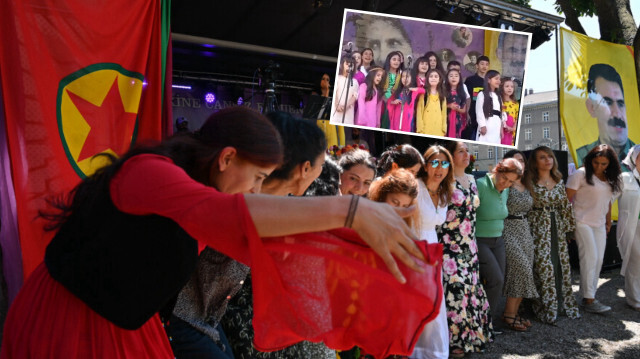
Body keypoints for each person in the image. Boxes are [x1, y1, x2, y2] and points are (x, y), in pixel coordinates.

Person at [2, 107, 427, 358]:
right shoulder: (149, 173)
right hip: (70, 322)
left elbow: (271, 244)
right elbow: (226, 213)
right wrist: (350, 210)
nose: (261, 190)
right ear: (226, 158)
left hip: (128, 322)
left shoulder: (201, 192)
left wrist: (368, 256)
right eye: (258, 177)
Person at [219, 112, 333, 359]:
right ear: (305, 168)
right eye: (321, 165)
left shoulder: (247, 199)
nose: (321, 173)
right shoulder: (257, 209)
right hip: (246, 336)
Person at [437, 141, 493, 358]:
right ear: (450, 156)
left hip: (469, 244)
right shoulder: (443, 180)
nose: (466, 154)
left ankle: (471, 337)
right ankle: (454, 342)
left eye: (467, 150)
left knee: (470, 289)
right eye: (460, 151)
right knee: (455, 291)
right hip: (448, 245)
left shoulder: (471, 180)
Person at [524, 146, 581, 324]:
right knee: (541, 266)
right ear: (535, 161)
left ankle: (559, 304)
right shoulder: (528, 182)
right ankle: (542, 306)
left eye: (550, 156)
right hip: (538, 229)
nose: (548, 160)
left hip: (557, 228)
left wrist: (570, 229)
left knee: (560, 265)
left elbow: (565, 205)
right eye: (542, 157)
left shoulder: (558, 179)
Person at [566, 144, 621, 313]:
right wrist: (567, 225)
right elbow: (565, 200)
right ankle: (589, 300)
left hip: (599, 223)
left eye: (603, 163)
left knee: (598, 260)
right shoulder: (580, 174)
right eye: (596, 162)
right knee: (590, 258)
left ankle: (588, 295)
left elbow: (608, 200)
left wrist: (608, 220)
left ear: (610, 164)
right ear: (591, 160)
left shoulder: (611, 177)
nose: (599, 166)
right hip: (581, 221)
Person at [411, 145, 454, 359]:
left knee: (434, 303)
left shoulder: (445, 192)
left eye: (444, 163)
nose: (439, 168)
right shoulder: (414, 189)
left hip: (432, 249)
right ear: (426, 165)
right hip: (413, 247)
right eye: (434, 162)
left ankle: (433, 351)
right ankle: (412, 350)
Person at [476, 157, 523, 330]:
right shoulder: (480, 185)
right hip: (479, 240)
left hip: (498, 240)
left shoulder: (506, 190)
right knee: (496, 279)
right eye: (504, 178)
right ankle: (481, 323)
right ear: (497, 170)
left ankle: (487, 323)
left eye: (511, 182)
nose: (506, 184)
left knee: (498, 282)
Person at [501, 150, 538, 331]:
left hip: (524, 230)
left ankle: (513, 314)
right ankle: (508, 315)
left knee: (525, 272)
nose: (519, 164)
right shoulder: (503, 184)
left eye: (521, 161)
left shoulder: (527, 183)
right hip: (508, 229)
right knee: (520, 268)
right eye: (514, 161)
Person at [577, 63, 634, 167]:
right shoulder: (581, 157)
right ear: (592, 107)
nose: (617, 113)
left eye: (620, 103)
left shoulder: (637, 154)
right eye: (607, 102)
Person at [616, 144, 640, 311]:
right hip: (632, 226)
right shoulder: (624, 178)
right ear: (634, 158)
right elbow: (607, 198)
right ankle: (635, 300)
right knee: (635, 261)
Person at [463, 55, 490, 140]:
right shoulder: (470, 80)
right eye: (482, 64)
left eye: (486, 64)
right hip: (472, 115)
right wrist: (467, 113)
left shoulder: (490, 81)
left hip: (485, 116)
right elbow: (466, 97)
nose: (484, 66)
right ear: (477, 66)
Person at [316, 73, 346, 148]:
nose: (325, 81)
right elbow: (321, 114)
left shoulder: (334, 101)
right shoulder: (315, 98)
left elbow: (340, 126)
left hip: (332, 141)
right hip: (320, 138)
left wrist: (342, 146)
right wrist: (327, 91)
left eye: (327, 80)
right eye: (323, 79)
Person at [416, 68, 447, 136]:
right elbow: (419, 113)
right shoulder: (424, 94)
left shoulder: (442, 96)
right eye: (431, 76)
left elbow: (444, 114)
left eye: (436, 76)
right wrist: (420, 130)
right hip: (425, 130)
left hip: (438, 131)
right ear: (427, 79)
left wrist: (444, 129)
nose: (433, 78)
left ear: (439, 79)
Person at [476, 70, 503, 144]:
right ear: (488, 80)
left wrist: (501, 128)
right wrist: (482, 126)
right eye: (496, 79)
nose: (499, 81)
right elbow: (479, 111)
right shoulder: (482, 94)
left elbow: (501, 113)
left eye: (499, 79)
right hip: (487, 124)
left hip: (496, 125)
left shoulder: (499, 96)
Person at [332, 56, 359, 125]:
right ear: (342, 65)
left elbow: (355, 96)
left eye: (351, 65)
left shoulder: (355, 82)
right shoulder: (338, 78)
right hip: (336, 110)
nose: (349, 66)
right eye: (347, 64)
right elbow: (335, 92)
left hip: (348, 112)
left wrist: (347, 105)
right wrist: (337, 104)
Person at [445, 69, 468, 138]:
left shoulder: (462, 92)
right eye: (451, 76)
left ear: (459, 78)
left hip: (457, 120)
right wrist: (449, 106)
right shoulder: (443, 91)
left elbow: (464, 110)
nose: (453, 78)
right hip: (445, 119)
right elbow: (438, 105)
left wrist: (456, 109)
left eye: (456, 76)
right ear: (447, 78)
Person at [500, 77, 519, 146]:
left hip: (511, 132)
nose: (510, 88)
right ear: (502, 88)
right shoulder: (499, 102)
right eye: (507, 86)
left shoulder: (516, 104)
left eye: (512, 87)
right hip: (500, 131)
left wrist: (513, 128)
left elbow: (517, 118)